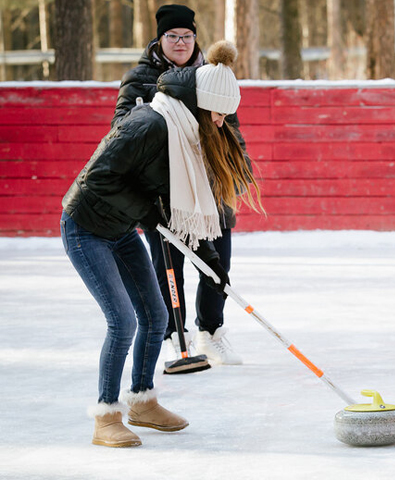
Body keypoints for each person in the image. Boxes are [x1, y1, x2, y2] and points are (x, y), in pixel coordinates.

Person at [61, 40, 263, 447]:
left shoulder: (187, 131)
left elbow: (179, 202)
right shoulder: (149, 124)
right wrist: (148, 214)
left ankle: (142, 401)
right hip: (86, 228)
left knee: (156, 316)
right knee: (123, 321)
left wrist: (209, 258)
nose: (221, 122)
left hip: (120, 229)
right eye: (218, 113)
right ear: (203, 105)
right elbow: (97, 178)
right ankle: (106, 415)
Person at [113, 4, 250, 365]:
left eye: (187, 35)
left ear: (195, 38)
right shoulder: (139, 79)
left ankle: (211, 331)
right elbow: (123, 132)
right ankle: (177, 335)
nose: (180, 42)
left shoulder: (212, 76)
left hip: (210, 188)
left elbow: (231, 130)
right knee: (168, 268)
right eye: (172, 36)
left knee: (217, 265)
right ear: (159, 39)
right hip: (165, 192)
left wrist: (237, 173)